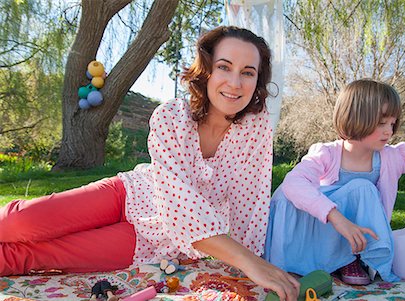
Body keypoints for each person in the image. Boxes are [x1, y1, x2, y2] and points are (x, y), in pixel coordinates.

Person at [0, 26, 299, 301]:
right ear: (207, 70)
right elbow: (182, 206)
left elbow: (251, 207)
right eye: (224, 67)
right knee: (19, 221)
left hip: (154, 241)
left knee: (32, 256)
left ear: (257, 80)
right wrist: (249, 262)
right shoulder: (171, 117)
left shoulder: (256, 129)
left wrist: (251, 267)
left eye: (248, 72)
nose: (235, 83)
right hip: (127, 194)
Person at [264, 79, 405, 285]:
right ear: (355, 118)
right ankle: (309, 259)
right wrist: (336, 217)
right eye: (381, 123)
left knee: (364, 188)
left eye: (392, 123)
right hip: (322, 232)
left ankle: (352, 258)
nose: (389, 131)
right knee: (288, 193)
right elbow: (293, 183)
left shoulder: (392, 157)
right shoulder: (327, 153)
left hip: (356, 237)